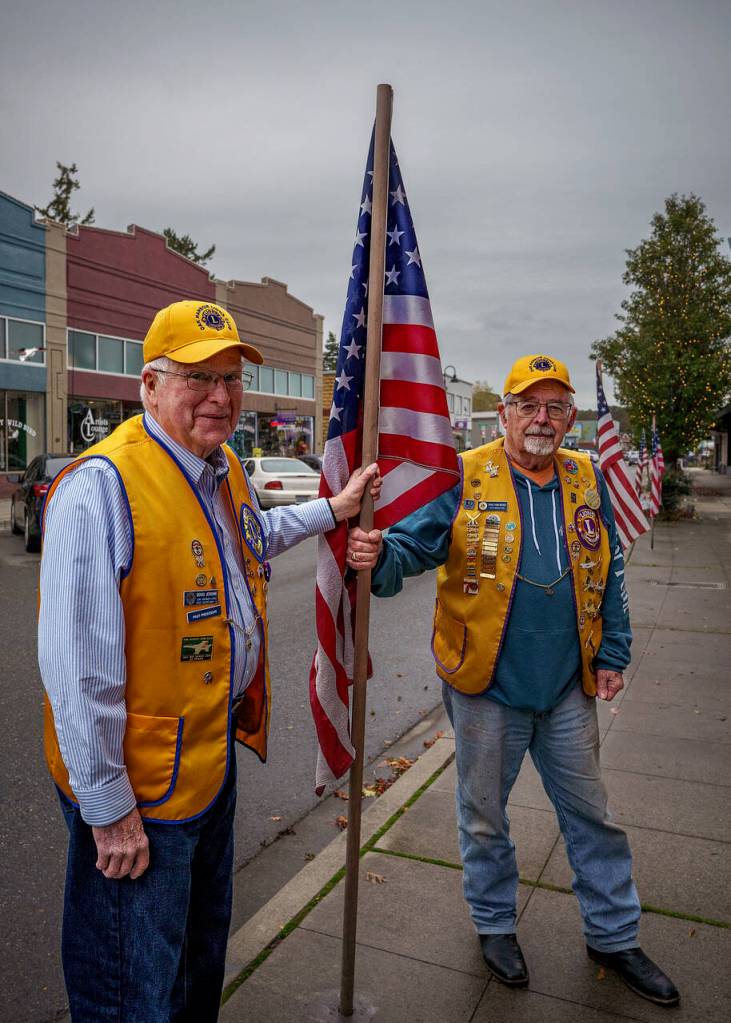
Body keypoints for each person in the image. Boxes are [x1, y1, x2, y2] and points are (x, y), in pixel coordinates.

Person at [38, 300, 380, 1022]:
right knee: (131, 985)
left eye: (230, 377)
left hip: (207, 763)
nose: (220, 396)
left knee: (195, 964)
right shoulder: (100, 486)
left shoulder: (217, 467)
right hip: (139, 794)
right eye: (198, 376)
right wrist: (109, 809)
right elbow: (79, 672)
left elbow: (256, 534)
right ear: (150, 385)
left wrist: (335, 507)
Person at [347, 354, 680, 1008]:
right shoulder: (462, 475)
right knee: (483, 819)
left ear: (567, 418)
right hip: (485, 687)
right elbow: (412, 548)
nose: (541, 418)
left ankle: (612, 933)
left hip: (564, 689)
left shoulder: (585, 477)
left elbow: (606, 570)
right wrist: (378, 553)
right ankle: (495, 924)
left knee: (593, 817)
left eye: (555, 406)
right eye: (527, 404)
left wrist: (612, 652)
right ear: (501, 413)